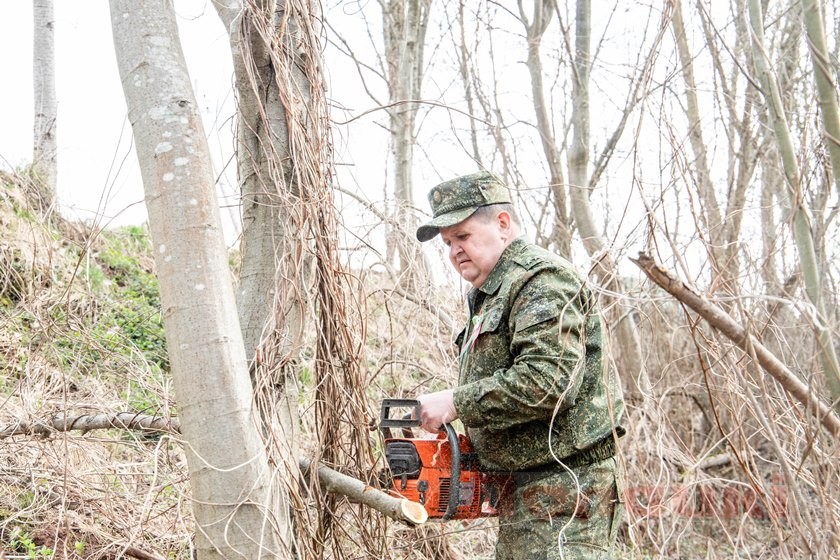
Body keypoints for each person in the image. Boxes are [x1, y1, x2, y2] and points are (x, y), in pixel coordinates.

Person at [415, 171, 625, 559]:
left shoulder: (541, 279)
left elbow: (549, 382)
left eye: (463, 236)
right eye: (447, 243)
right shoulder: (491, 291)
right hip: (525, 492)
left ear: (502, 224)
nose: (455, 250)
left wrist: (457, 402)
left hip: (567, 493)